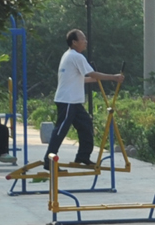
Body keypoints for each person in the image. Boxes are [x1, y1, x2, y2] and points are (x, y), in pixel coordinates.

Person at [44, 29, 122, 168]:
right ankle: (49, 161)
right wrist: (113, 77)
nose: (86, 41)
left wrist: (99, 78)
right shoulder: (76, 56)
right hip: (68, 101)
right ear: (74, 42)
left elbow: (79, 79)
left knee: (86, 125)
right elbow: (92, 73)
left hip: (73, 101)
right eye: (82, 39)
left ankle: (83, 156)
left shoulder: (68, 55)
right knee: (61, 130)